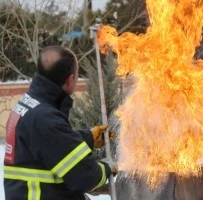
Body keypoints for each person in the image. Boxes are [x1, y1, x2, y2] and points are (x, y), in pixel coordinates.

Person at [3, 45, 117, 200]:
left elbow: (49, 143)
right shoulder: (46, 118)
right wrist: (107, 167)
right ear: (70, 80)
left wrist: (88, 137)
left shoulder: (30, 102)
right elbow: (84, 177)